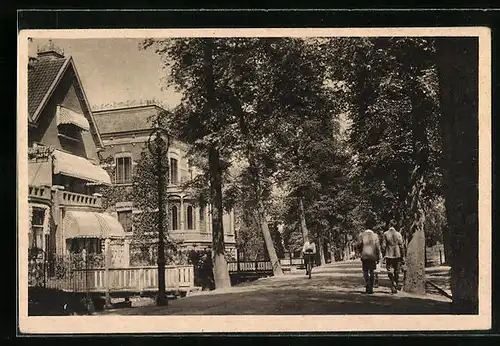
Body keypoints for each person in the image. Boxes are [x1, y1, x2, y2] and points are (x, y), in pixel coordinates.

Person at [356, 223, 382, 294]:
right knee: (372, 271)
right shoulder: (375, 235)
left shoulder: (361, 235)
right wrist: (378, 257)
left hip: (365, 256)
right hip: (373, 256)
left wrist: (360, 252)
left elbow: (359, 245)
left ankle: (367, 283)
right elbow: (377, 247)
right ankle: (371, 287)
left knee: (365, 271)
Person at [382, 221, 405, 293]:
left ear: (389, 225)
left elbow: (383, 245)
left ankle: (392, 282)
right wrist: (403, 255)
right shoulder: (398, 234)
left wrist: (383, 255)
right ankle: (396, 282)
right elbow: (401, 245)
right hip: (397, 254)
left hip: (388, 254)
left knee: (389, 270)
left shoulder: (385, 234)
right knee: (397, 270)